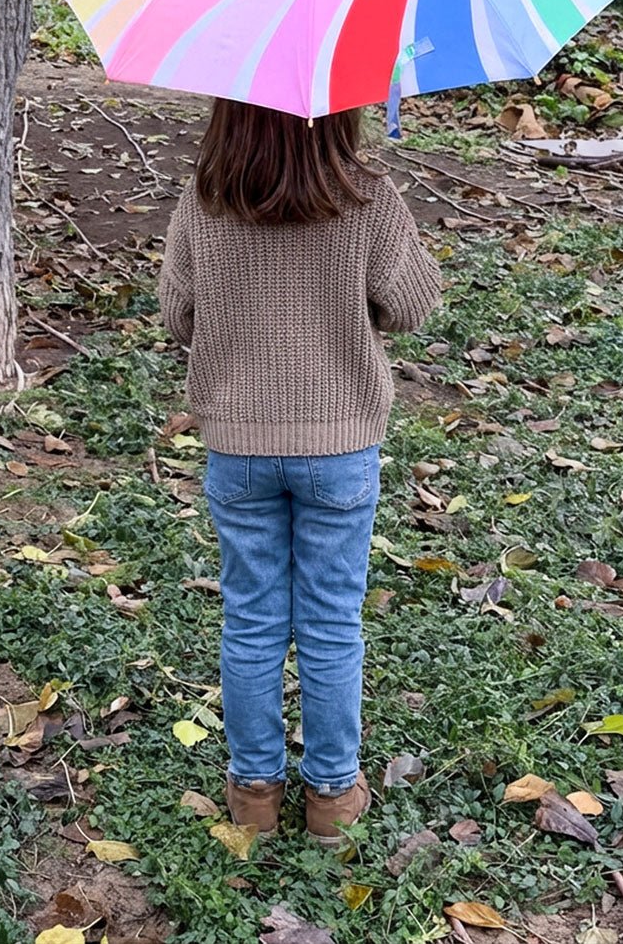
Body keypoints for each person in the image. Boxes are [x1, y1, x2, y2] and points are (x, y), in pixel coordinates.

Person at [159, 98, 441, 844]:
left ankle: (253, 793)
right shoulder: (371, 199)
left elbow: (177, 315)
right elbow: (412, 307)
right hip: (340, 443)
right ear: (341, 110)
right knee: (330, 621)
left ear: (232, 110)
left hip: (238, 443)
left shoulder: (203, 200)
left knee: (250, 618)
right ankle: (330, 798)